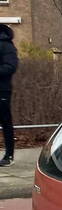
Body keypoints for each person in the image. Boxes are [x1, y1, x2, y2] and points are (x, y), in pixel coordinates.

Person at [0, 24, 19, 166]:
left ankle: (9, 155)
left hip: (2, 90)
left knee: (5, 122)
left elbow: (11, 67)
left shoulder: (6, 46)